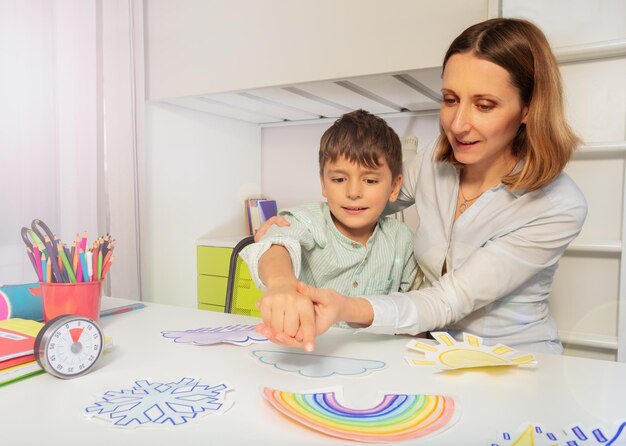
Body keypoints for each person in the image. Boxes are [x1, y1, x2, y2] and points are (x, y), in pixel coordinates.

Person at [254, 18, 587, 355]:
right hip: (432, 354)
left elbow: (448, 300)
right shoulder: (433, 163)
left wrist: (346, 308)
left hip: (516, 358)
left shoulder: (558, 205)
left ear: (529, 108)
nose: (457, 125)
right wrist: (286, 234)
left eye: (484, 105)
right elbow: (362, 201)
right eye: (451, 99)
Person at [240, 109, 420, 352]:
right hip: (308, 353)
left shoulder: (403, 239)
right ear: (323, 183)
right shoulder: (310, 220)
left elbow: (418, 311)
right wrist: (281, 283)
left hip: (378, 361)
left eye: (370, 180)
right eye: (338, 180)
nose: (353, 192)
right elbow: (276, 242)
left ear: (394, 186)